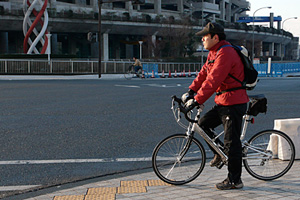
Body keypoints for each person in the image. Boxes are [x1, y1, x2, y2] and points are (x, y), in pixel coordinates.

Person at [181, 22, 249, 190]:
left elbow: (214, 80)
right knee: (203, 124)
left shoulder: (226, 52)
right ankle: (219, 155)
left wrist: (197, 100)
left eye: (205, 36)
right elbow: (204, 73)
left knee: (231, 142)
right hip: (223, 101)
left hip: (234, 102)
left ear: (215, 37)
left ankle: (235, 180)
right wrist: (191, 91)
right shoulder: (214, 52)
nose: (202, 39)